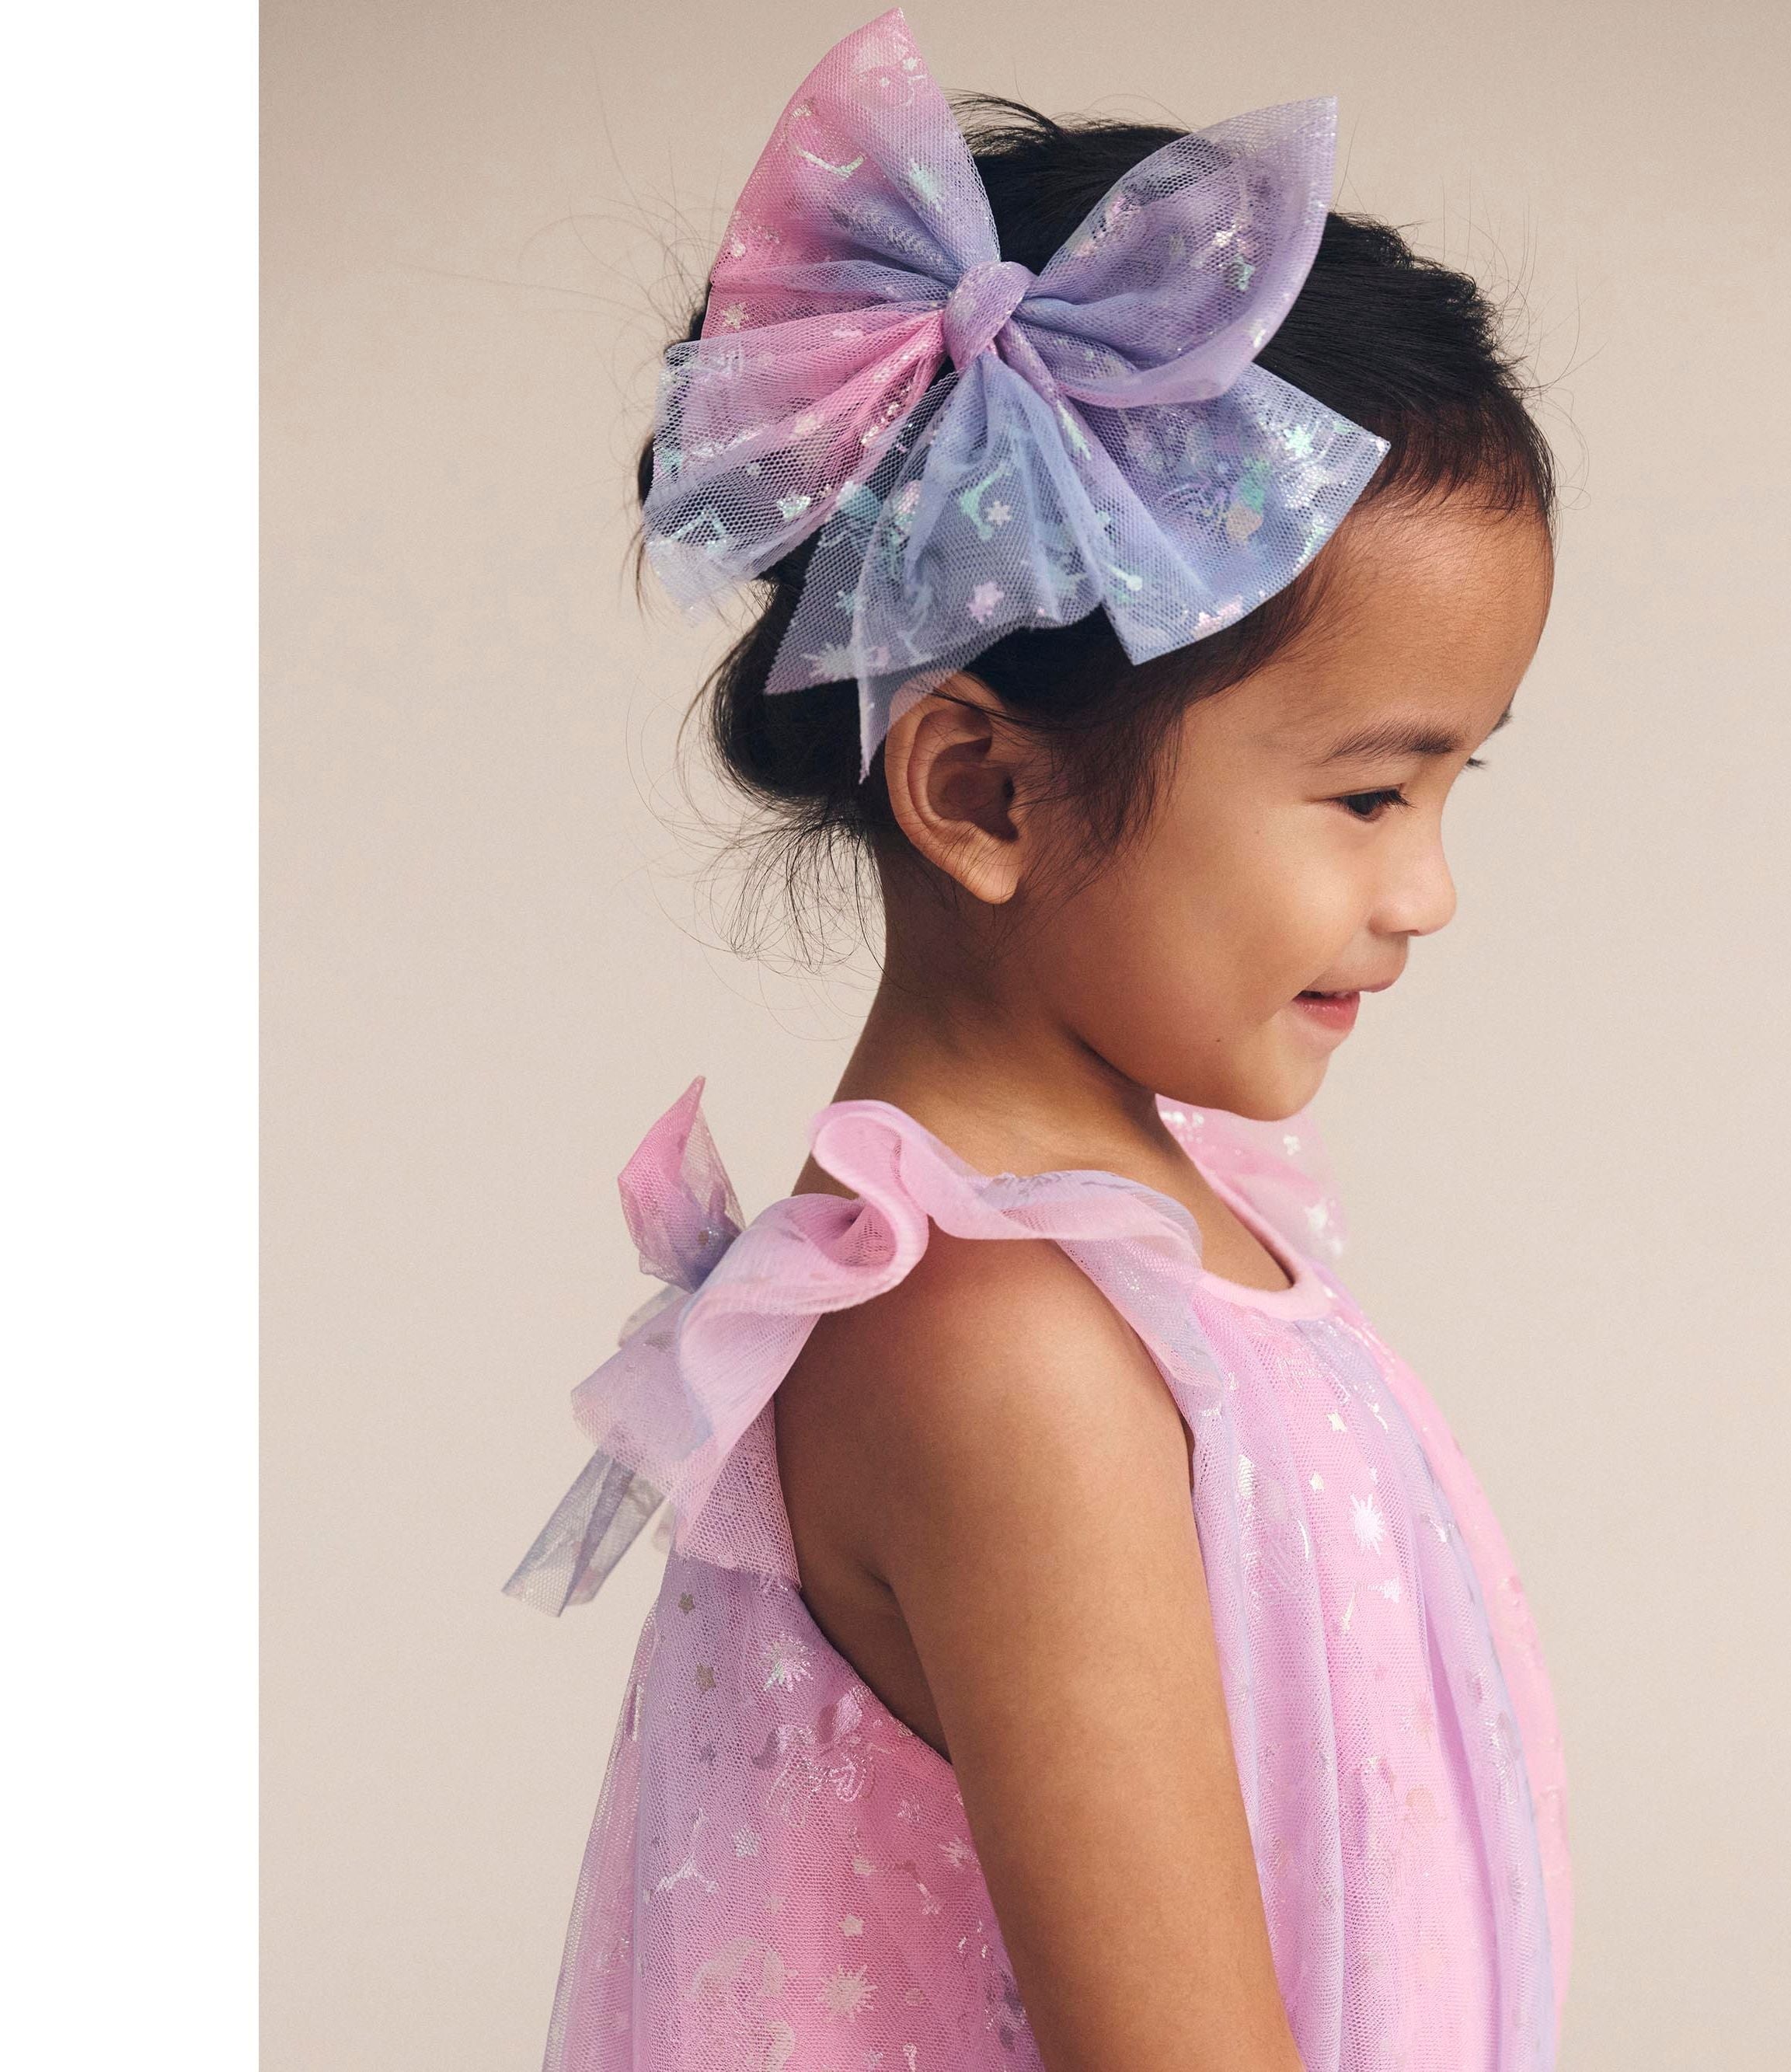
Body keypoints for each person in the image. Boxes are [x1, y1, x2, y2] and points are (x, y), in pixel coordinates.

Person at [507, 11, 1572, 2068]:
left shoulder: (1166, 1240)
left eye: (1457, 783)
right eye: (1370, 792)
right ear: (983, 790)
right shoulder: (1002, 1345)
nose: (1428, 887)